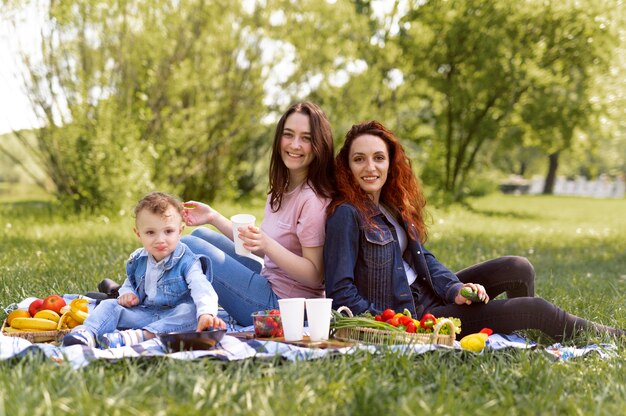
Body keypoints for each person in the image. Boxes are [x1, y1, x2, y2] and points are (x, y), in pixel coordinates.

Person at [324, 120, 624, 340]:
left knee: (518, 267)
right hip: (413, 314)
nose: (370, 167)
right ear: (347, 167)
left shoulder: (391, 206)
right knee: (537, 309)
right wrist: (394, 325)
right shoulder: (346, 215)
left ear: (390, 162)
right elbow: (341, 292)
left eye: (378, 158)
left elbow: (423, 259)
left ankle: (516, 338)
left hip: (432, 293)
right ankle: (615, 335)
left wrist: (454, 289)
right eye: (359, 159)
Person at [181, 101, 335, 326]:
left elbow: (315, 275)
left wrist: (267, 244)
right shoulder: (280, 190)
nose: (294, 144)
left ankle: (156, 300)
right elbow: (257, 245)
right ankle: (161, 297)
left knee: (191, 247)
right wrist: (213, 217)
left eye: (306, 138)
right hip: (268, 282)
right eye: (288, 134)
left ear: (319, 145)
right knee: (200, 236)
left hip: (286, 308)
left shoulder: (313, 200)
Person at [62, 192, 226, 348]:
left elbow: (202, 287)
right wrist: (128, 293)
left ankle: (137, 337)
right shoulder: (138, 259)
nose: (160, 240)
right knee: (109, 305)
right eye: (150, 233)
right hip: (144, 313)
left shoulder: (187, 261)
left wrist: (207, 314)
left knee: (190, 311)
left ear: (180, 231)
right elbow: (130, 282)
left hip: (174, 317)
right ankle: (87, 334)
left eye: (168, 231)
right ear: (138, 234)